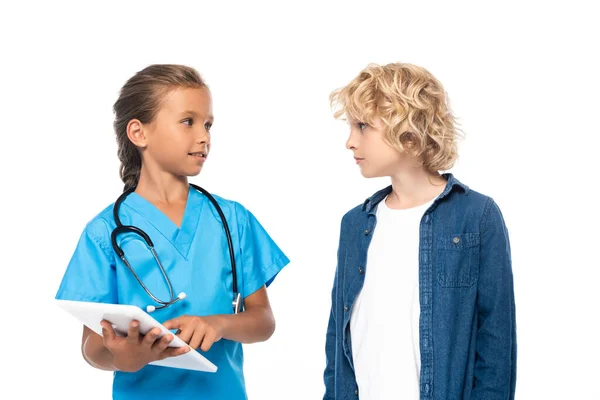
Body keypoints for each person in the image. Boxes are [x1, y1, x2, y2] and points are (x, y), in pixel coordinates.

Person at [55, 64, 289, 400]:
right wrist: (125, 357)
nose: (203, 136)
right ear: (139, 133)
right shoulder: (104, 232)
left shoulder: (232, 218)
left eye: (208, 124)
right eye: (188, 121)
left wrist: (220, 324)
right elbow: (92, 347)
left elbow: (263, 322)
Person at [323, 62, 516, 399]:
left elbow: (496, 342)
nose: (350, 142)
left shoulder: (476, 216)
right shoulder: (354, 224)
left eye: (363, 126)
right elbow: (337, 344)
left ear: (408, 132)